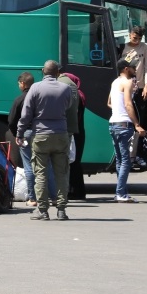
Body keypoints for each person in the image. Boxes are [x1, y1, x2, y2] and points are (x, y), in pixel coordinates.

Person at [16, 60, 73, 221]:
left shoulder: (35, 88)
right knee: (61, 173)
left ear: (43, 71)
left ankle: (43, 210)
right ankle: (61, 210)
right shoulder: (65, 88)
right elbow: (68, 106)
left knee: (40, 173)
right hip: (61, 134)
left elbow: (26, 114)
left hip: (40, 135)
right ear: (57, 73)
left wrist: (19, 133)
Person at [107, 59, 146, 203]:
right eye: (132, 67)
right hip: (124, 125)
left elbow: (109, 103)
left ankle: (122, 192)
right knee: (126, 161)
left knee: (119, 159)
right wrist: (136, 124)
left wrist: (119, 109)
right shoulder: (127, 82)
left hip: (113, 123)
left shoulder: (115, 82)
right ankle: (120, 194)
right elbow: (128, 104)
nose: (135, 69)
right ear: (125, 68)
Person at [8, 71, 38, 206]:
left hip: (25, 134)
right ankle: (52, 196)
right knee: (43, 165)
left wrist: (16, 135)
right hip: (40, 133)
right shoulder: (39, 97)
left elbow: (12, 120)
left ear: (23, 83)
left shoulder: (19, 99)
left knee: (28, 166)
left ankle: (32, 198)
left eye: (19, 83)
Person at [58, 71, 87, 200]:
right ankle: (78, 191)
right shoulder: (80, 95)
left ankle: (75, 191)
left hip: (74, 132)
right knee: (75, 162)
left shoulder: (76, 96)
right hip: (79, 132)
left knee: (72, 162)